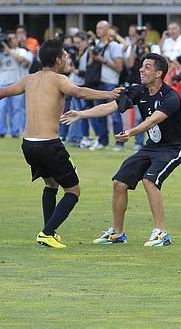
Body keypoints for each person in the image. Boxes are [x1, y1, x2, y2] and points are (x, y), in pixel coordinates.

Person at [0, 39, 121, 248]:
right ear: (57, 60)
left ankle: (50, 232)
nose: (67, 59)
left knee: (50, 184)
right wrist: (110, 94)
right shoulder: (59, 79)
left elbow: (3, 92)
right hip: (49, 145)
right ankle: (47, 233)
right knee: (73, 191)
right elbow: (80, 92)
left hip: (28, 144)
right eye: (65, 56)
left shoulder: (29, 79)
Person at [61, 53, 181, 247]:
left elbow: (153, 120)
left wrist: (131, 132)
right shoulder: (139, 90)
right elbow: (110, 107)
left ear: (159, 73)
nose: (141, 69)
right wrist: (80, 114)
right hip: (151, 147)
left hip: (172, 149)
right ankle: (117, 233)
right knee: (119, 182)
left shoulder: (170, 97)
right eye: (141, 66)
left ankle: (161, 233)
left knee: (149, 180)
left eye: (147, 67)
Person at [89, 20, 125, 151]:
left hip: (110, 82)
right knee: (99, 113)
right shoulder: (96, 44)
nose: (98, 30)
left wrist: (103, 60)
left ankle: (119, 142)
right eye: (97, 28)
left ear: (107, 30)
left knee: (115, 114)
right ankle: (102, 141)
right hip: (97, 82)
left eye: (101, 28)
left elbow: (119, 67)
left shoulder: (114, 46)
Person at [0, 31, 32, 138]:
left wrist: (8, 49)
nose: (10, 40)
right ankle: (1, 131)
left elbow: (21, 60)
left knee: (17, 108)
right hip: (2, 83)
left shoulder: (21, 51)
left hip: (16, 83)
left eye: (13, 38)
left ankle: (15, 131)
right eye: (9, 39)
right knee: (1, 108)